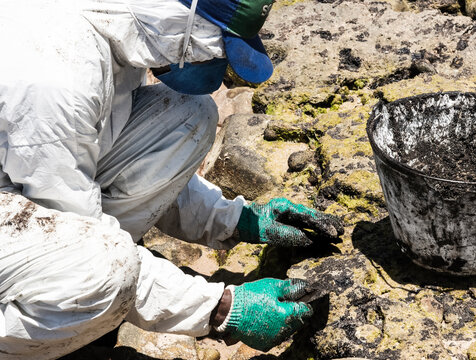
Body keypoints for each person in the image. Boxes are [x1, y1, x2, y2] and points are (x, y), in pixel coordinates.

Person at [0, 0, 344, 358]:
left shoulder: (123, 27)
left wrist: (233, 219)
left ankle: (88, 299)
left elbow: (108, 148)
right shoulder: (56, 83)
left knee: (190, 113)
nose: (225, 71)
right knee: (105, 268)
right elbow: (70, 225)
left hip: (29, 174)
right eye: (218, 48)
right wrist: (220, 307)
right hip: (26, 189)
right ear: (183, 19)